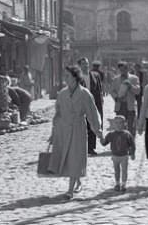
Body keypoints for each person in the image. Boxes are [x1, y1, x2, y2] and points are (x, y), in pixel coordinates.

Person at [47, 65, 102, 200]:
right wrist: (53, 133)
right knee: (68, 158)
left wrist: (98, 130)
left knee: (75, 157)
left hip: (78, 129)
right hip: (63, 129)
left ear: (75, 77)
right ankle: (76, 179)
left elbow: (92, 113)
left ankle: (70, 190)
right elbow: (57, 114)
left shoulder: (85, 94)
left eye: (67, 75)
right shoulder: (62, 94)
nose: (65, 78)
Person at [100, 115, 135, 192]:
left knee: (124, 170)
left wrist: (132, 153)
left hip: (124, 156)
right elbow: (104, 143)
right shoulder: (111, 134)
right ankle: (117, 183)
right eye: (116, 123)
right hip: (115, 156)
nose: (119, 125)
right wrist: (101, 138)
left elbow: (132, 144)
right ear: (113, 124)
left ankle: (123, 184)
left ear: (125, 124)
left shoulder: (127, 134)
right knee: (117, 171)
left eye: (121, 123)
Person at [78, 57, 104, 156]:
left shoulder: (95, 75)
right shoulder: (76, 76)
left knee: (93, 124)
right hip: (80, 103)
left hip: (93, 103)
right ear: (80, 65)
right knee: (81, 126)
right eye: (83, 64)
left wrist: (100, 101)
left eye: (87, 63)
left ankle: (91, 148)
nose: (86, 65)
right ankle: (81, 148)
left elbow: (99, 89)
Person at [111, 61, 140, 137]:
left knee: (131, 126)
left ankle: (131, 143)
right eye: (121, 70)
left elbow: (138, 91)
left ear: (127, 69)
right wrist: (116, 98)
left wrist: (130, 86)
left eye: (124, 69)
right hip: (120, 106)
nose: (122, 71)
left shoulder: (134, 78)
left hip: (130, 106)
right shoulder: (115, 79)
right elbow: (112, 91)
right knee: (120, 126)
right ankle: (121, 143)